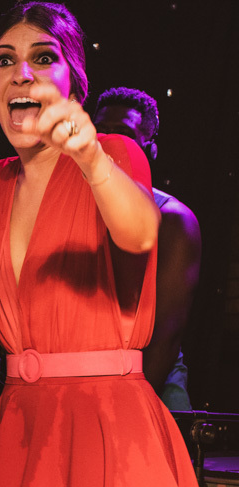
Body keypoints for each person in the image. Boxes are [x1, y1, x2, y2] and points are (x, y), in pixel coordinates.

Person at [0, 1, 225, 487]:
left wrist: (92, 157)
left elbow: (140, 233)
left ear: (74, 81)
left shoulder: (113, 156)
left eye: (43, 58)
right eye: (4, 61)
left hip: (107, 427)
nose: (21, 73)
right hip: (20, 427)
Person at [93, 86, 198, 411]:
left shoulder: (172, 218)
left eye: (122, 134)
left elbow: (166, 334)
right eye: (101, 132)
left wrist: (127, 410)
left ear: (148, 148)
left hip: (151, 379)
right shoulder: (73, 206)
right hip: (85, 372)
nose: (108, 143)